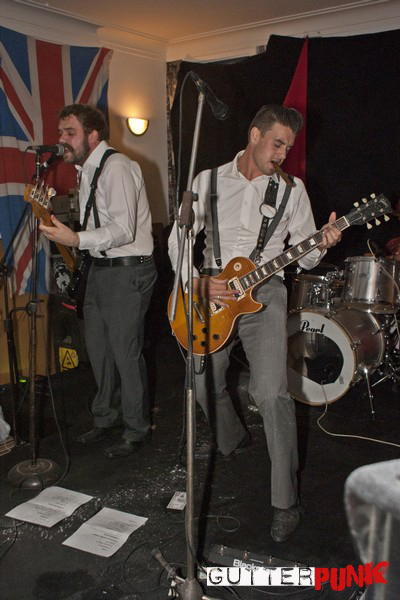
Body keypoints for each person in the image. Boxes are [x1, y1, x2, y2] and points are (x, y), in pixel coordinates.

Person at [168, 104, 342, 542]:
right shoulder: (207, 181)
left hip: (265, 292)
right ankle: (232, 438)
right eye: (277, 143)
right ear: (254, 135)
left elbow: (305, 254)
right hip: (212, 292)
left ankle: (285, 502)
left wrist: (322, 243)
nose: (282, 154)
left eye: (288, 147)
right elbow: (178, 240)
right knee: (201, 380)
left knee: (271, 392)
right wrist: (196, 281)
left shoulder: (292, 190)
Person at [40, 103, 157, 458]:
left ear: (93, 135)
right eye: (60, 133)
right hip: (100, 268)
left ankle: (136, 428)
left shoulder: (116, 167)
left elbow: (122, 230)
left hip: (127, 270)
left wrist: (76, 239)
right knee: (99, 349)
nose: (62, 140)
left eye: (70, 133)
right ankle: (105, 416)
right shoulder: (87, 170)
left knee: (124, 351)